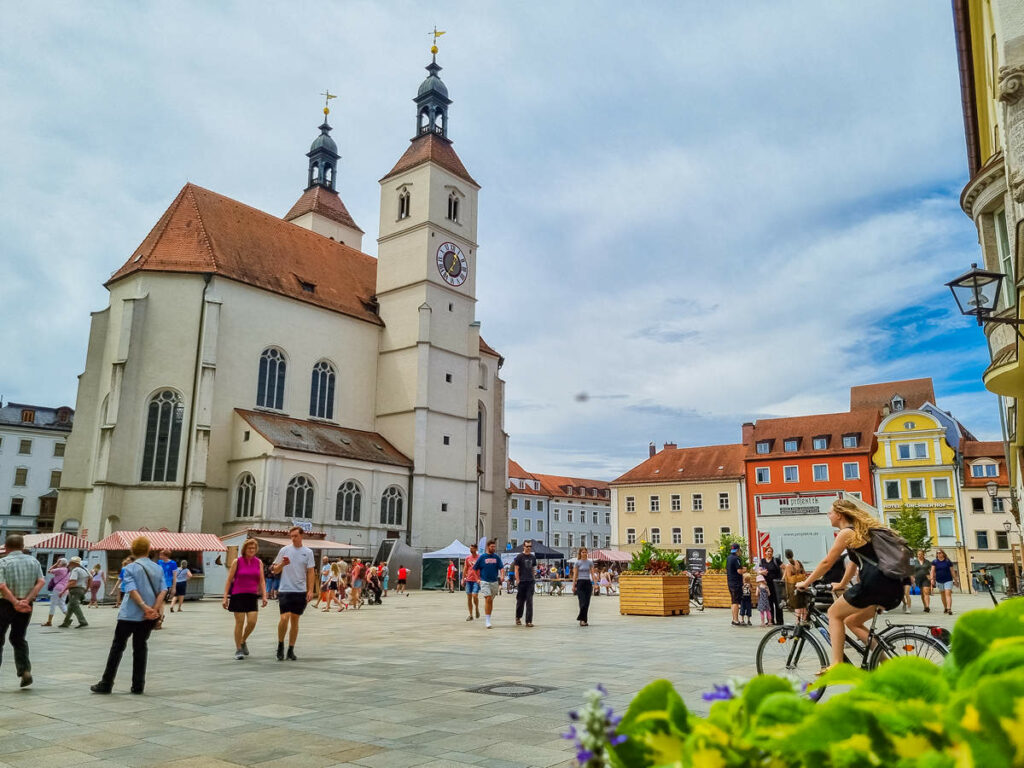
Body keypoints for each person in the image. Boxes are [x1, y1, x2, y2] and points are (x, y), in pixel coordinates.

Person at [796, 498, 904, 673]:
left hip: (874, 584)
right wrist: (842, 583)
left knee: (833, 613)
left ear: (839, 515)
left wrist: (806, 583)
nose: (828, 516)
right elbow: (854, 563)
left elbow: (826, 562)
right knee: (852, 621)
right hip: (891, 585)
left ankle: (837, 662)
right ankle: (886, 663)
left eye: (830, 513)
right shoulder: (862, 532)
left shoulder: (846, 533)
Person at [91, 535, 166, 694]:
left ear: (132, 550)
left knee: (117, 647)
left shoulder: (129, 568)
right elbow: (163, 590)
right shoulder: (158, 568)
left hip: (129, 615)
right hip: (148, 617)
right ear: (148, 550)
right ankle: (138, 685)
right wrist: (153, 609)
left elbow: (131, 590)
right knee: (140, 648)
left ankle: (106, 683)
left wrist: (143, 606)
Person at [0, 534, 45, 688]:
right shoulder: (34, 561)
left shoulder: (3, 562)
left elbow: (1, 586)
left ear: (6, 547)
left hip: (5, 604)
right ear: (22, 547)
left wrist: (15, 601)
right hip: (27, 605)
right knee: (18, 638)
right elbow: (41, 581)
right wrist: (26, 600)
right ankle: (25, 670)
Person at [271, 526, 315, 660]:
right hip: (285, 589)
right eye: (291, 536)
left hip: (300, 590)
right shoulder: (284, 550)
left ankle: (291, 649)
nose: (293, 538)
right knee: (284, 618)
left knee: (295, 621)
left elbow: (311, 572)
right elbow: (275, 570)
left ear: (302, 536)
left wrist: (310, 590)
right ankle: (280, 645)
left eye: (296, 536)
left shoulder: (308, 552)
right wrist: (283, 564)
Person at [222, 539, 267, 659]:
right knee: (240, 622)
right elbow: (229, 580)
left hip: (252, 595)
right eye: (249, 548)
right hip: (238, 595)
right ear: (245, 549)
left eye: (253, 548)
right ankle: (238, 649)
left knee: (252, 622)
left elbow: (262, 580)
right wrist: (225, 597)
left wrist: (264, 595)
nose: (251, 550)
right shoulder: (237, 561)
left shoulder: (259, 562)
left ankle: (243, 640)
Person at [473, 539, 505, 629]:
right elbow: (475, 568)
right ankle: (487, 621)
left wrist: (502, 576)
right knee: (487, 598)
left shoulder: (496, 557)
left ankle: (488, 617)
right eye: (492, 547)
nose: (493, 548)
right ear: (488, 547)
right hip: (484, 581)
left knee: (490, 600)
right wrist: (477, 579)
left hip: (494, 582)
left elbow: (501, 568)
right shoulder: (482, 557)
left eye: (494, 547)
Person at [60, 556, 90, 628]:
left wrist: (63, 591)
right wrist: (86, 589)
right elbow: (90, 579)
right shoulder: (84, 570)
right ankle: (66, 622)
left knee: (75, 606)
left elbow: (72, 582)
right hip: (81, 589)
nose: (69, 564)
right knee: (70, 606)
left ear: (73, 563)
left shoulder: (75, 570)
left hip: (75, 589)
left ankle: (83, 621)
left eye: (70, 563)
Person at [513, 540, 538, 627]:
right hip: (522, 581)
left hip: (530, 581)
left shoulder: (533, 557)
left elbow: (533, 568)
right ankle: (518, 617)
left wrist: (534, 577)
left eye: (530, 546)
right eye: (527, 546)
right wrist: (517, 580)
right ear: (523, 546)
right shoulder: (519, 557)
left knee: (529, 601)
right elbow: (516, 569)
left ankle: (528, 621)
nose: (528, 548)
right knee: (520, 601)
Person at [758, 546, 783, 625]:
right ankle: (770, 620)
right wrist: (761, 572)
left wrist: (783, 578)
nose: (769, 553)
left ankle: (779, 621)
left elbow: (785, 568)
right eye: (768, 551)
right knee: (769, 603)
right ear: (765, 552)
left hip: (776, 584)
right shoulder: (762, 561)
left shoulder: (776, 560)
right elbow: (758, 570)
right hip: (767, 585)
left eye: (771, 551)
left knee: (777, 603)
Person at [40, 558, 68, 627]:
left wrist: (56, 563)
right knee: (62, 604)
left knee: (53, 604)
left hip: (58, 588)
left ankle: (49, 622)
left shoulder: (60, 570)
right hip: (65, 589)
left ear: (60, 563)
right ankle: (68, 617)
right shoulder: (68, 570)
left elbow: (48, 571)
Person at [783, 551, 809, 623]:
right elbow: (804, 573)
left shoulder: (788, 566)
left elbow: (789, 578)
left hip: (794, 586)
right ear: (793, 554)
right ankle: (804, 619)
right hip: (803, 585)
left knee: (797, 605)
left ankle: (797, 620)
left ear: (786, 556)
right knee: (804, 604)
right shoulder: (799, 562)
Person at [930, 549, 958, 615]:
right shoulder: (935, 562)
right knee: (942, 595)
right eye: (937, 553)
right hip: (939, 580)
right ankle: (945, 607)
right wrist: (932, 579)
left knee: (948, 593)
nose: (939, 554)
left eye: (940, 553)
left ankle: (949, 609)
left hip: (948, 580)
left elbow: (952, 571)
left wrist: (955, 580)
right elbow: (932, 571)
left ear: (943, 553)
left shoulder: (948, 562)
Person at [727, 543, 747, 627]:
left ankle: (734, 619)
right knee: (736, 602)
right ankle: (735, 620)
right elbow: (739, 571)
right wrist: (744, 570)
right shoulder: (736, 558)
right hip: (736, 583)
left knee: (733, 601)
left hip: (730, 582)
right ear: (738, 550)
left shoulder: (729, 558)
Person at [573, 546, 593, 627]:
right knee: (582, 602)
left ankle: (584, 620)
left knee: (587, 602)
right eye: (583, 552)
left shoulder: (590, 562)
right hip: (580, 582)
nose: (584, 554)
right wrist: (574, 585)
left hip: (588, 582)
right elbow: (575, 574)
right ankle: (581, 619)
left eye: (585, 552)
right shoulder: (577, 563)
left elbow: (592, 573)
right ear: (580, 553)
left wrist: (595, 584)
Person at [463, 543, 481, 621]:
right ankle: (470, 615)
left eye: (472, 548)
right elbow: (465, 568)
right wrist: (463, 578)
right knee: (469, 597)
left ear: (476, 549)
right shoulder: (468, 558)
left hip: (476, 580)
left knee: (474, 595)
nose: (471, 549)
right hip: (468, 580)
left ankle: (476, 608)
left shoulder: (480, 558)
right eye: (470, 548)